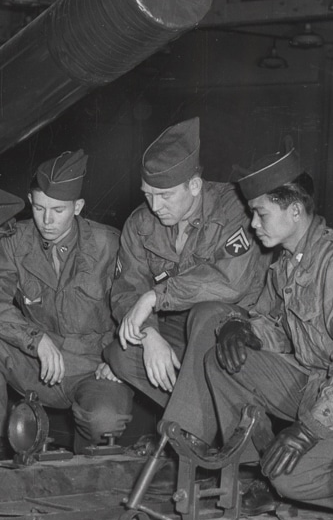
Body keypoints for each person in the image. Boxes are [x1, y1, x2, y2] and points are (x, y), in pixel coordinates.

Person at [161, 143, 333, 514]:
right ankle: (256, 468)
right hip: (311, 382)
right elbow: (275, 325)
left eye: (260, 214)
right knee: (220, 360)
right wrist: (242, 329)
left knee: (292, 478)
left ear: (296, 210)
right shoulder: (286, 263)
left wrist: (308, 431)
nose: (253, 225)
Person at [0, 150, 133, 459]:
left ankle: (89, 464)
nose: (47, 220)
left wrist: (122, 360)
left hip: (94, 368)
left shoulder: (109, 245)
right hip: (38, 363)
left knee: (104, 420)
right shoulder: (16, 241)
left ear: (78, 207)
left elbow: (136, 307)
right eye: (39, 207)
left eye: (58, 210)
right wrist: (35, 339)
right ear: (30, 201)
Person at [105, 117, 266, 408]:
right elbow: (127, 287)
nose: (154, 207)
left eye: (165, 196)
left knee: (206, 314)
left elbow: (229, 283)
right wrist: (149, 332)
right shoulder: (141, 223)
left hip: (234, 330)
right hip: (178, 331)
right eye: (148, 195)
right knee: (121, 354)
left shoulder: (234, 208)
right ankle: (197, 419)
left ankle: (211, 425)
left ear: (194, 185)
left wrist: (156, 296)